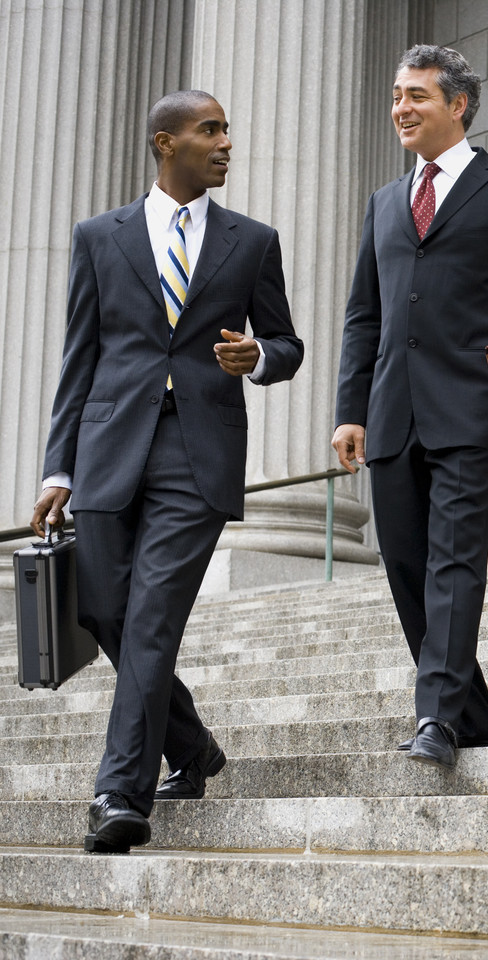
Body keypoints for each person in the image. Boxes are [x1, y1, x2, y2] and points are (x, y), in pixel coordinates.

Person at [31, 90, 304, 853]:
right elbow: (78, 359)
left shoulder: (252, 241)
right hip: (108, 449)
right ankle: (192, 746)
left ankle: (119, 793)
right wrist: (59, 469)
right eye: (208, 130)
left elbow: (286, 342)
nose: (224, 143)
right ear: (164, 143)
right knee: (107, 614)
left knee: (151, 619)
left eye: (226, 130)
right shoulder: (99, 236)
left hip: (199, 454)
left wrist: (261, 358)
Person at [332, 44, 488, 770]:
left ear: (457, 105)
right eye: (398, 95)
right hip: (394, 414)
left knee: (455, 563)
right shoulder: (383, 203)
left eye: (417, 97)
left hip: (471, 412)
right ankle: (473, 715)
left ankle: (436, 716)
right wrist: (351, 409)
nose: (401, 107)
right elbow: (363, 316)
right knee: (405, 565)